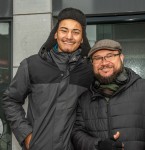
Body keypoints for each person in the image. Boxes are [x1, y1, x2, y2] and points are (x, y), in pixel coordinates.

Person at [2, 8, 93, 150]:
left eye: (76, 32)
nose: (69, 36)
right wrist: (25, 135)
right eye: (64, 30)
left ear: (82, 39)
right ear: (55, 34)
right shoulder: (32, 65)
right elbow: (10, 100)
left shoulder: (89, 71)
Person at [71, 39, 145, 150]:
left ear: (121, 58)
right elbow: (77, 133)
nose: (104, 62)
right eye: (97, 58)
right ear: (92, 63)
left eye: (110, 55)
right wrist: (98, 145)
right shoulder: (84, 99)